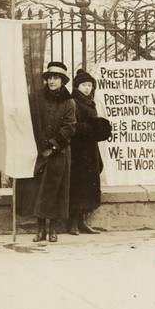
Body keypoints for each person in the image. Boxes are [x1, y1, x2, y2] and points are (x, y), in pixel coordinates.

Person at [31, 61, 76, 243]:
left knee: (56, 190)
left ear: (63, 81)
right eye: (49, 77)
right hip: (39, 152)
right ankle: (40, 229)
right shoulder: (37, 98)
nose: (52, 81)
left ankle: (54, 229)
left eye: (56, 78)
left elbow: (69, 127)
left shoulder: (69, 102)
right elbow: (32, 120)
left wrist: (54, 146)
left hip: (59, 153)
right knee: (39, 191)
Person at [68, 69, 112, 235]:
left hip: (90, 149)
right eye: (84, 85)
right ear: (77, 86)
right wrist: (92, 126)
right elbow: (72, 126)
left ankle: (83, 222)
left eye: (89, 85)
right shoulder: (73, 102)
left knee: (88, 186)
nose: (87, 88)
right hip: (78, 150)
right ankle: (72, 223)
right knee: (78, 186)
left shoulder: (90, 102)